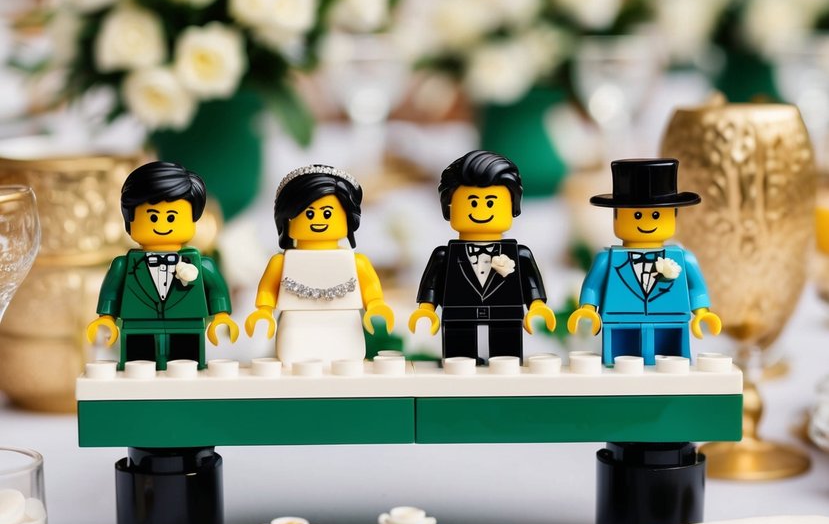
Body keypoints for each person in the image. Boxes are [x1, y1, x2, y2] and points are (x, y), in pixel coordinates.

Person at [567, 157, 721, 365]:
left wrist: (702, 313)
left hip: (671, 325)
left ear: (673, 216)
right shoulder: (607, 259)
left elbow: (697, 288)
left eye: (656, 214)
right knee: (617, 366)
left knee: (676, 365)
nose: (646, 221)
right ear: (616, 216)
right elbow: (592, 286)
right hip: (619, 324)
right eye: (637, 214)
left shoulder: (683, 259)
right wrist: (587, 309)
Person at [87, 160, 238, 369]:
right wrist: (106, 318)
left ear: (193, 220)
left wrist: (221, 315)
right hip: (138, 329)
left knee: (188, 368)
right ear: (130, 221)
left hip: (187, 327)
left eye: (172, 217)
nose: (161, 224)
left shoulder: (201, 264)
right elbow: (111, 291)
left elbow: (216, 289)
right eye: (153, 216)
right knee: (137, 369)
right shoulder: (123, 265)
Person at [408, 150, 555, 363]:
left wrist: (537, 306)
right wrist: (427, 309)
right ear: (449, 207)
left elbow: (531, 282)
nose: (481, 210)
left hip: (506, 314)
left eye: (491, 203)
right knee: (458, 359)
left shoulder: (519, 254)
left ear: (512, 206)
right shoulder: (444, 255)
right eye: (473, 202)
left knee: (507, 359)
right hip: (459, 314)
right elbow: (432, 283)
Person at [245, 165, 394, 367]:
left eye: (327, 213)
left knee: (347, 363)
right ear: (288, 218)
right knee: (296, 364)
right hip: (296, 326)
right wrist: (264, 311)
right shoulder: (281, 262)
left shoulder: (355, 261)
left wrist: (375, 305)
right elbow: (267, 290)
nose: (317, 221)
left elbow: (371, 287)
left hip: (345, 325)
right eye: (308, 214)